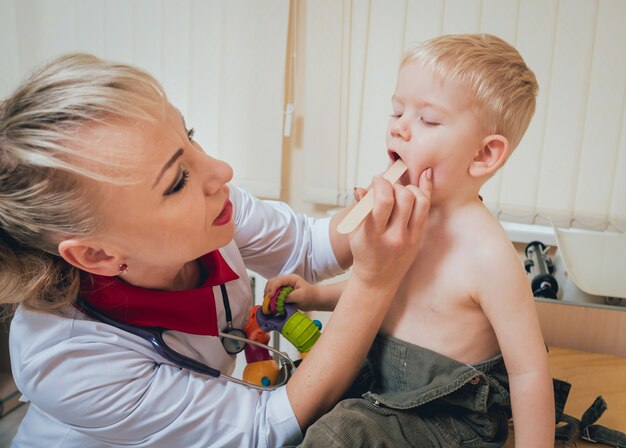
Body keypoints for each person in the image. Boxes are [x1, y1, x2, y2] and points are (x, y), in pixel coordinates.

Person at [0, 54, 433, 447]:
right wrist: (376, 281)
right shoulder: (65, 360)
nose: (221, 171)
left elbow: (308, 245)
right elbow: (268, 427)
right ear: (97, 255)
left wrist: (395, 184)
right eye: (176, 181)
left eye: (189, 136)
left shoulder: (212, 212)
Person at [265, 34, 555, 447]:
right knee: (298, 400)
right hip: (380, 386)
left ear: (484, 155)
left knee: (339, 434)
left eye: (428, 120)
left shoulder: (487, 253)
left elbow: (529, 371)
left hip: (444, 415)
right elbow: (393, 289)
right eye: (397, 110)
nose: (399, 127)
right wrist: (315, 294)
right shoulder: (405, 219)